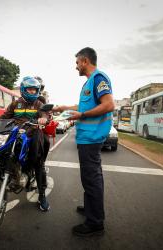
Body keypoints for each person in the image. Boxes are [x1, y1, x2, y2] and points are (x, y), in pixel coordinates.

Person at [53, 47, 115, 236]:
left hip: (92, 138)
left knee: (91, 179)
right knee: (91, 178)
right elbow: (81, 106)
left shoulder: (98, 78)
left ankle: (95, 222)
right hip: (87, 137)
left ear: (85, 61)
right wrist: (63, 107)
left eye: (77, 62)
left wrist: (82, 115)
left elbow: (109, 104)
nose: (76, 66)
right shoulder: (89, 83)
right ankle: (91, 209)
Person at [0, 76, 51, 212]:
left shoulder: (39, 104)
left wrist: (43, 119)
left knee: (38, 163)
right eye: (30, 89)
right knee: (3, 152)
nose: (32, 92)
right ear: (23, 89)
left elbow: (46, 114)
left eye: (35, 90)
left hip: (33, 133)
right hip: (17, 133)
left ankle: (42, 195)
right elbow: (5, 116)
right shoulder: (16, 104)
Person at [34, 76, 51, 166]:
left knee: (46, 142)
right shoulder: (22, 99)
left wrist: (45, 118)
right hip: (23, 126)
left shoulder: (41, 99)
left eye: (39, 87)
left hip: (38, 125)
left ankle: (41, 163)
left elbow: (45, 112)